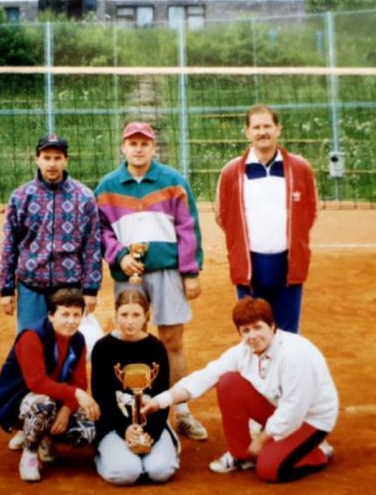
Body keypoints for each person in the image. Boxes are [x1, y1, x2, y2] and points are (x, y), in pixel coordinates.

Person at [143, 296, 338, 483]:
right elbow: (205, 377)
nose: (252, 336)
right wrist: (160, 401)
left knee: (269, 469)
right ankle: (240, 455)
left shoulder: (295, 354)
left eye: (258, 327)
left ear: (272, 325)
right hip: (278, 410)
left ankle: (318, 452)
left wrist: (261, 440)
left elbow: (294, 409)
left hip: (310, 419)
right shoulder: (243, 351)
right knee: (228, 382)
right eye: (245, 330)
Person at [94, 121, 207, 441]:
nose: (139, 148)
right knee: (131, 340)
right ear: (123, 147)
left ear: (153, 147)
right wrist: (119, 256)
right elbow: (100, 231)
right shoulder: (107, 186)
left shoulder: (173, 181)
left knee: (172, 341)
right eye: (133, 143)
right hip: (129, 277)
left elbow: (188, 227)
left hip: (169, 272)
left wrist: (191, 271)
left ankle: (181, 412)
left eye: (144, 143)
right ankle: (135, 411)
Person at [214, 104, 318, 334]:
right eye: (256, 127)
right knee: (252, 330)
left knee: (288, 334)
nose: (263, 132)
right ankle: (255, 371)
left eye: (267, 126)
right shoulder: (232, 171)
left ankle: (284, 371)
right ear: (247, 132)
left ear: (278, 129)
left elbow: (310, 212)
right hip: (250, 265)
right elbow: (222, 215)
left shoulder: (300, 168)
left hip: (288, 264)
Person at [0, 288, 101, 482]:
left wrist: (66, 411)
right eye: (65, 314)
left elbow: (79, 381)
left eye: (76, 315)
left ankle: (42, 436)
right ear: (51, 315)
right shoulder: (32, 336)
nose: (71, 321)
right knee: (43, 404)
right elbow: (37, 383)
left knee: (88, 429)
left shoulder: (78, 340)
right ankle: (29, 452)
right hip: (16, 401)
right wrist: (76, 394)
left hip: (52, 398)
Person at [0, 132, 102, 331]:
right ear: (37, 159)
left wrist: (91, 289)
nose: (52, 164)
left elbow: (92, 246)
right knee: (30, 345)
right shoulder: (20, 197)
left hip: (69, 287)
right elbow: (9, 245)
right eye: (46, 158)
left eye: (57, 158)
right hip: (31, 285)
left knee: (66, 346)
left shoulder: (84, 197)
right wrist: (6, 289)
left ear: (66, 160)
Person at [90, 289, 179, 485]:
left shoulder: (156, 347)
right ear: (115, 313)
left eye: (136, 314)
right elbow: (102, 398)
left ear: (146, 315)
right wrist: (126, 430)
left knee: (160, 472)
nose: (129, 321)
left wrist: (152, 433)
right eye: (124, 314)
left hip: (152, 423)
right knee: (126, 473)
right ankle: (100, 455)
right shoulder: (103, 347)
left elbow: (161, 396)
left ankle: (163, 441)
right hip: (113, 424)